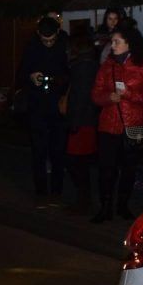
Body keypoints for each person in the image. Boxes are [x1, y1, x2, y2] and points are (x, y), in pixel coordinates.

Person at [90, 24, 143, 222]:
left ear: (129, 43)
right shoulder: (107, 65)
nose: (113, 45)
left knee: (129, 168)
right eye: (112, 42)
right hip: (109, 124)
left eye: (117, 42)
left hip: (135, 125)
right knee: (106, 169)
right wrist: (108, 98)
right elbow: (95, 94)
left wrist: (128, 94)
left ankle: (122, 205)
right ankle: (105, 207)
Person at [17, 16, 70, 200]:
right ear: (39, 34)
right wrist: (31, 76)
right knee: (39, 150)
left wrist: (57, 81)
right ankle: (40, 190)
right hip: (37, 105)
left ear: (57, 33)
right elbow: (21, 73)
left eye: (52, 40)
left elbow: (72, 74)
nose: (48, 43)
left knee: (58, 150)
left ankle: (57, 190)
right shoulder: (32, 47)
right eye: (44, 40)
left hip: (58, 106)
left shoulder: (65, 45)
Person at [64, 33, 99, 215]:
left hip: (81, 122)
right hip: (87, 120)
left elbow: (80, 98)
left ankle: (84, 201)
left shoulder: (81, 68)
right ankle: (84, 199)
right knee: (80, 163)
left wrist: (73, 122)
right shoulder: (89, 66)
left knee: (76, 163)